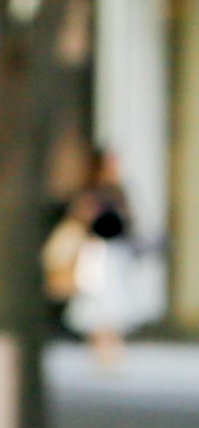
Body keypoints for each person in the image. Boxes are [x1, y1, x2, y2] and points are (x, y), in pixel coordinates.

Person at [58, 149, 156, 370]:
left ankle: (111, 347)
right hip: (96, 252)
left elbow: (130, 221)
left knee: (114, 300)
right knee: (97, 297)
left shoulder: (119, 193)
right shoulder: (90, 195)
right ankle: (100, 345)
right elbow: (81, 219)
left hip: (115, 254)